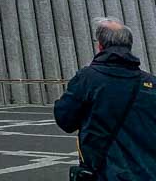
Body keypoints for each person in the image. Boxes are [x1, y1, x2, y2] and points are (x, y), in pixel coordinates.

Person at [54, 17, 156, 179]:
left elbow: (65, 120)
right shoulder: (151, 82)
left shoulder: (88, 79)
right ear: (129, 46)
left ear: (100, 46)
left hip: (106, 172)